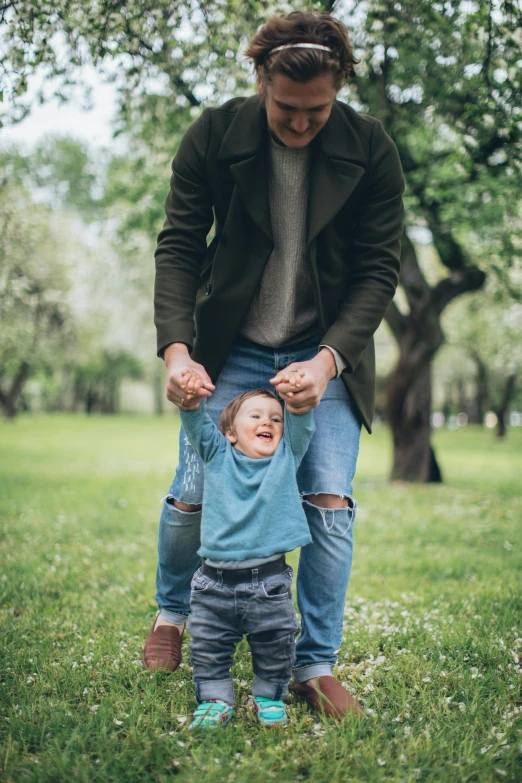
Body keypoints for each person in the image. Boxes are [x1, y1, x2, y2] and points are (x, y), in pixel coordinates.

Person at [143, 10, 404, 719]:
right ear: (260, 79)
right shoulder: (214, 135)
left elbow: (379, 270)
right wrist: (177, 348)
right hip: (234, 346)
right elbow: (179, 246)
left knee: (326, 499)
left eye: (316, 109)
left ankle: (313, 664)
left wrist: (327, 363)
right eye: (286, 109)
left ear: (339, 88)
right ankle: (173, 615)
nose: (299, 124)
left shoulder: (372, 149)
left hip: (324, 350)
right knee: (195, 488)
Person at [178, 374, 314, 728]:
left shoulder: (286, 457)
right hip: (212, 585)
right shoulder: (217, 454)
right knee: (208, 648)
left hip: (268, 585)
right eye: (255, 415)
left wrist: (296, 402)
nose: (267, 421)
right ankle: (214, 700)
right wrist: (191, 402)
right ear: (231, 433)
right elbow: (196, 424)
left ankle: (268, 696)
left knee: (276, 644)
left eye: (275, 417)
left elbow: (300, 423)